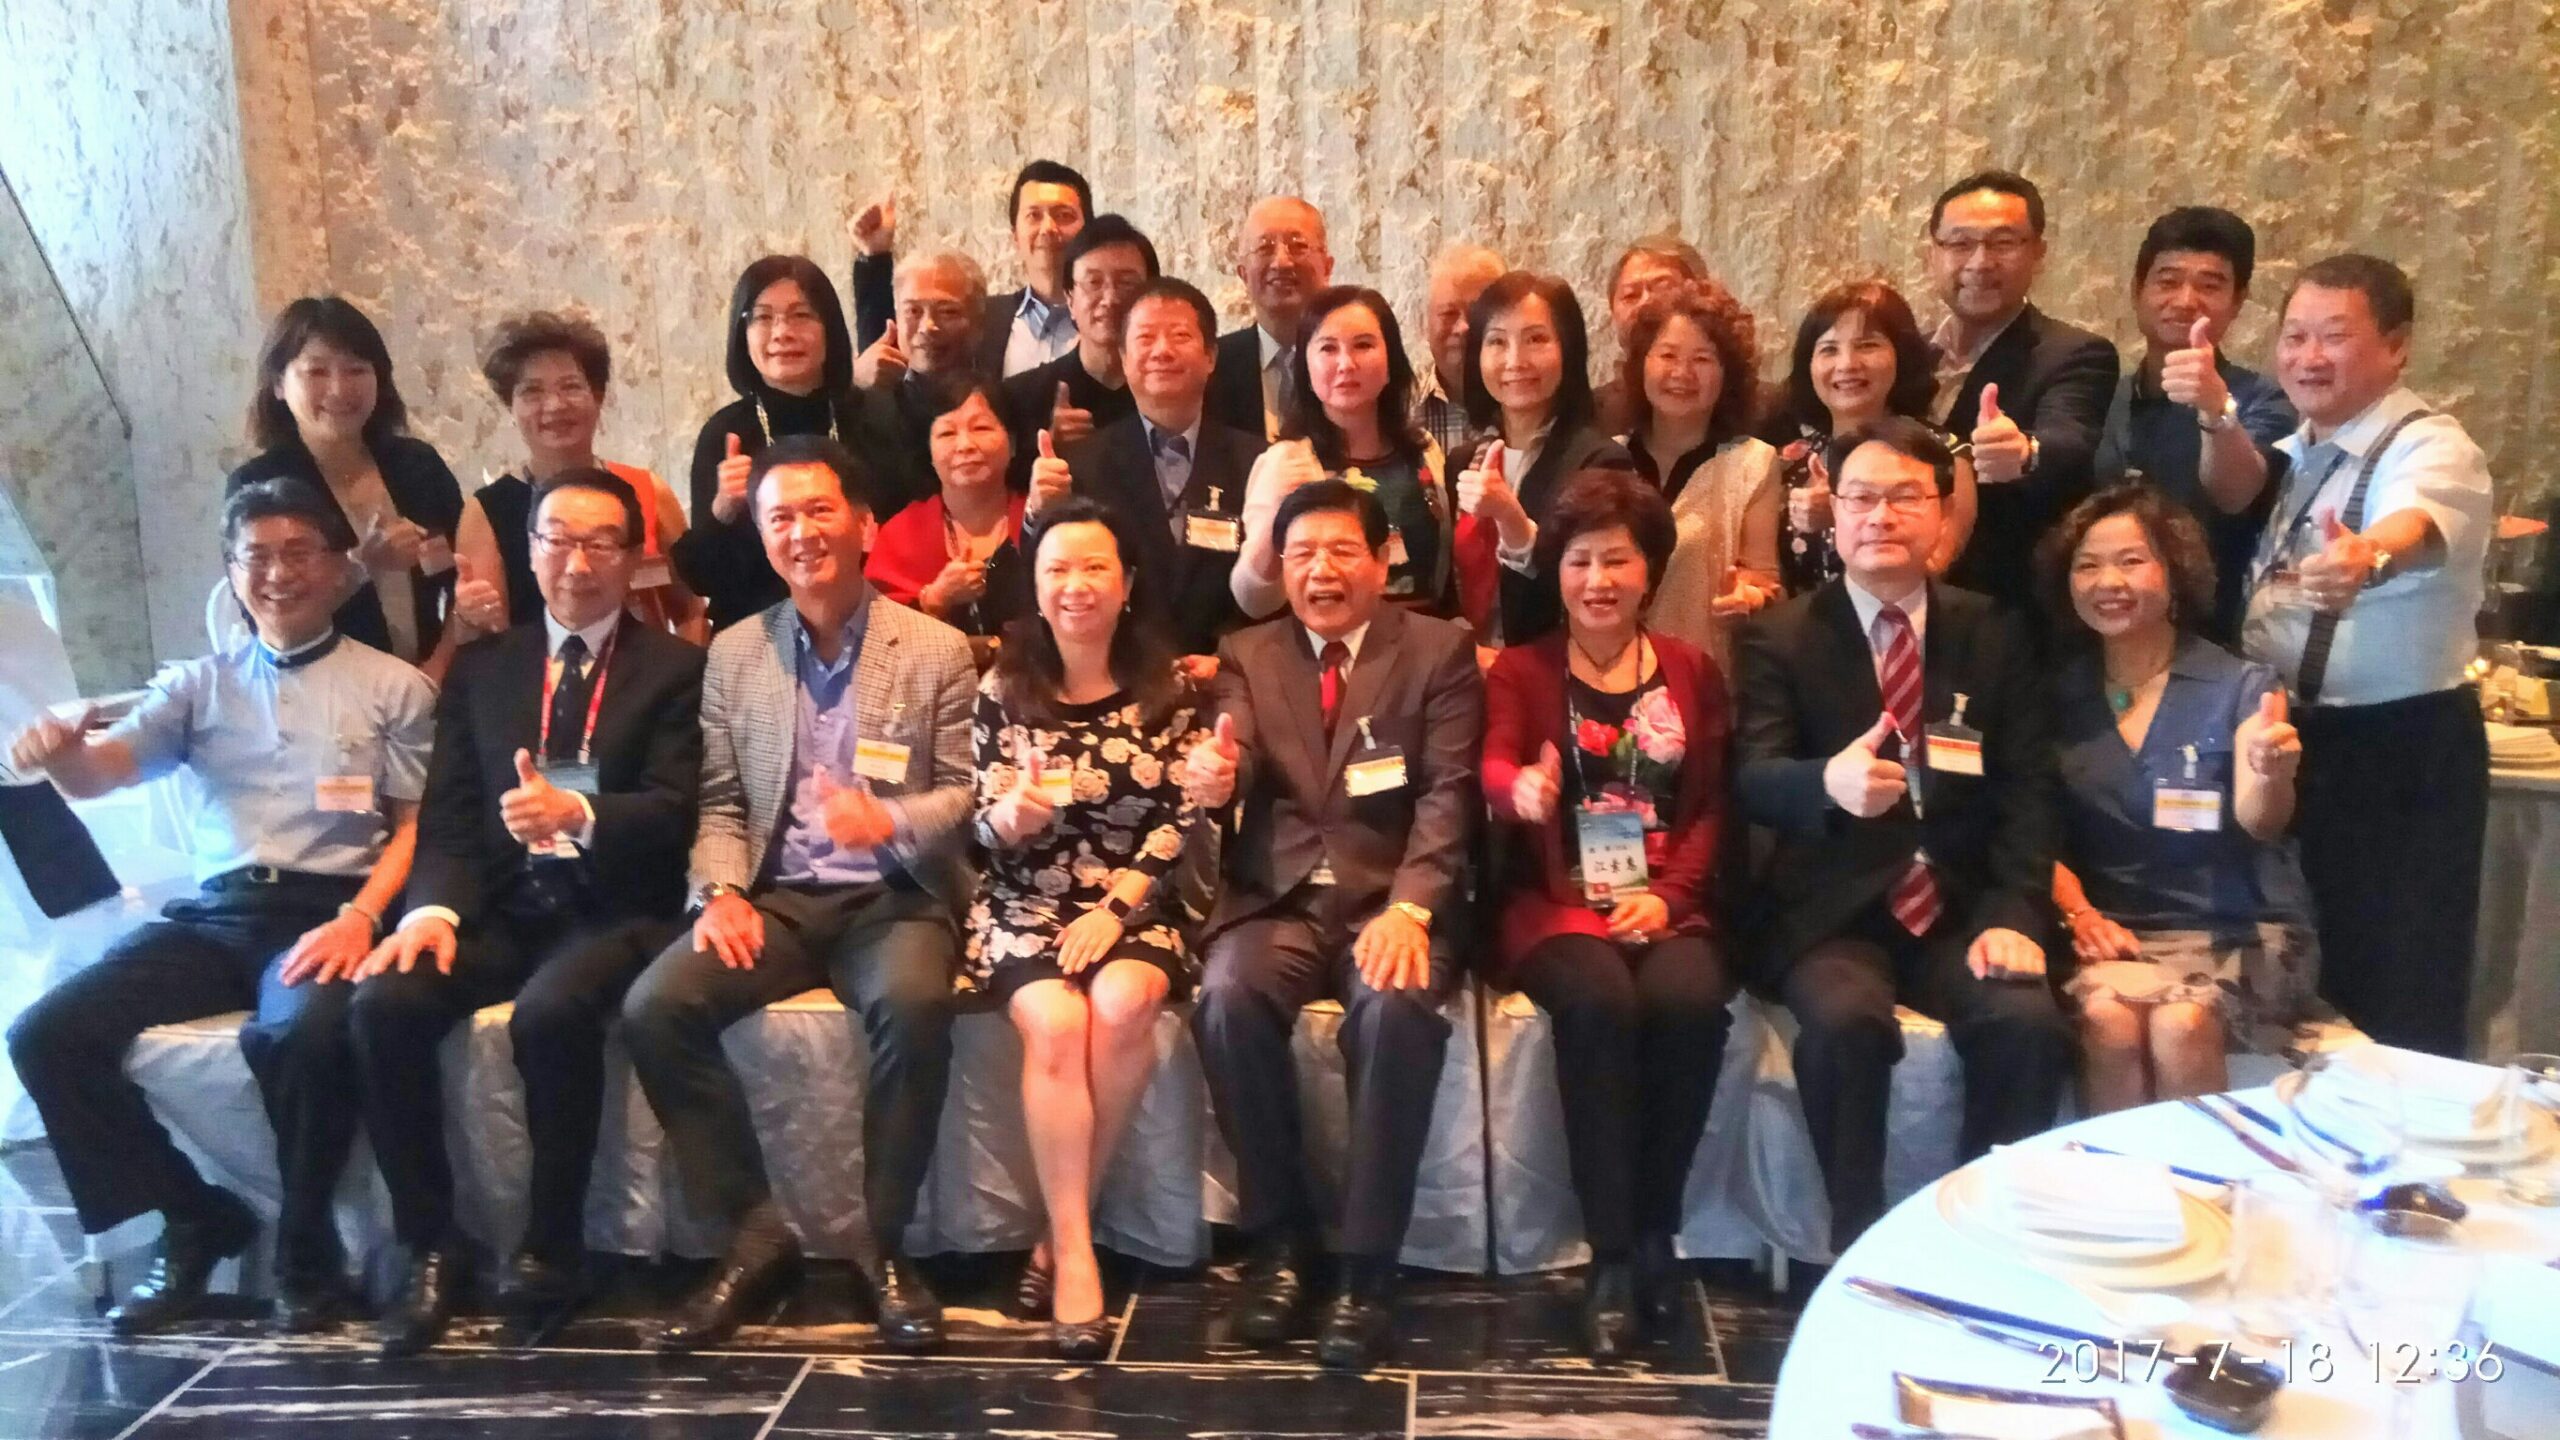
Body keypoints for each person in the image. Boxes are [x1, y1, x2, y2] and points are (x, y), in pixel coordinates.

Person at [6, 479, 434, 1335]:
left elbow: (416, 829)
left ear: (338, 567)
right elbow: (103, 774)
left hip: (330, 907)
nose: (277, 573)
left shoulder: (395, 685)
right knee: (44, 1034)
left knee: (302, 1034)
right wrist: (60, 756)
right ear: (231, 571)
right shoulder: (196, 685)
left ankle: (306, 1249)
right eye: (256, 556)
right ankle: (193, 1214)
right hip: (216, 916)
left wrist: (361, 918)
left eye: (298, 553)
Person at [621, 435, 977, 1352]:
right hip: (776, 897)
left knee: (914, 1003)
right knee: (657, 1004)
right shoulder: (737, 651)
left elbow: (964, 794)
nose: (801, 533)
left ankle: (884, 1247)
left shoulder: (935, 648)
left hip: (892, 897)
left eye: (820, 511)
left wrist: (886, 819)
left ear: (865, 525)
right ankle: (753, 1232)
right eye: (779, 517)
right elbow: (720, 801)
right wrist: (719, 892)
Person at [351, 469, 705, 1353]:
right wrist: (430, 914)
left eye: (600, 544)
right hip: (505, 908)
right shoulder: (484, 668)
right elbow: (449, 815)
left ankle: (553, 1246)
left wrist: (578, 812)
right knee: (385, 1002)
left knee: (551, 1011)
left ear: (632, 557)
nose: (577, 564)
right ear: (531, 550)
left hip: (619, 908)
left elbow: (676, 811)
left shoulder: (676, 669)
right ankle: (431, 1246)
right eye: (559, 541)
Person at [1733, 416, 2070, 1253]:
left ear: (1943, 514)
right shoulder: (1780, 636)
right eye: (1860, 498)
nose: (1880, 515)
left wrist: (2015, 916)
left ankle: (1984, 1242)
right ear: (1834, 513)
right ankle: (1855, 1245)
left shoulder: (1995, 631)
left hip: (1962, 909)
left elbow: (2029, 789)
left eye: (1905, 497)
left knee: (2026, 1025)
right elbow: (1752, 777)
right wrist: (1825, 783)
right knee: (1845, 1026)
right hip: (1832, 913)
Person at [1182, 479, 1483, 1371]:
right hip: (1279, 899)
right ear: (1279, 567)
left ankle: (1365, 1270)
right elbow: (1233, 749)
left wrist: (1411, 908)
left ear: (1383, 560)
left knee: (1393, 1010)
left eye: (1342, 550)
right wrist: (1217, 776)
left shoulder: (1437, 648)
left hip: (1391, 898)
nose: (1321, 571)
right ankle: (1279, 1245)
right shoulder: (1247, 651)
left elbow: (1449, 793)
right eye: (1302, 554)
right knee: (1226, 998)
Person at [1479, 470, 1735, 1358]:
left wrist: (1668, 899)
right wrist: (1521, 790)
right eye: (1580, 560)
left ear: (1649, 570)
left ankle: (1658, 1227)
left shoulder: (1693, 671)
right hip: (1554, 902)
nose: (1598, 580)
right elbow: (1496, 764)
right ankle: (1612, 1255)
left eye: (1617, 561)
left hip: (1665, 899)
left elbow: (1711, 807)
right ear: (1556, 571)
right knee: (1599, 1004)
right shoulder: (1523, 668)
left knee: (1689, 1003)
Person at [968, 497, 1206, 1359]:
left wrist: (1117, 907)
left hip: (1135, 900)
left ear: (1128, 581)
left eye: (1095, 567)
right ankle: (1075, 1251)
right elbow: (980, 825)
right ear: (1035, 587)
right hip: (1024, 902)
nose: (1076, 585)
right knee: (1058, 1022)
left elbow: (1183, 812)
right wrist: (1012, 818)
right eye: (1057, 569)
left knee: (1124, 1002)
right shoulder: (1003, 689)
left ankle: (1058, 1230)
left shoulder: (1169, 688)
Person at [2240, 254, 2494, 1058]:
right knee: (2317, 980)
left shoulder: (2432, 447)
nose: (2308, 357)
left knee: (2398, 982)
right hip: (2307, 738)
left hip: (2398, 747)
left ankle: (2408, 1136)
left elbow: (2413, 525)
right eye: (2294, 336)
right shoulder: (2302, 453)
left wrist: (2367, 557)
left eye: (2334, 337)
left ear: (2397, 345)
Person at [2038, 487, 2312, 1111]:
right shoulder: (2055, 696)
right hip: (2115, 929)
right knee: (2107, 1023)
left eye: (2132, 561)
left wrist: (2271, 773)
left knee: (2181, 1023)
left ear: (2175, 572)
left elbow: (2260, 820)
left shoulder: (2240, 685)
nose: (2109, 581)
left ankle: (2200, 1175)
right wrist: (2080, 915)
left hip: (2237, 927)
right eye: (2087, 565)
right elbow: (2032, 832)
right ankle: (2122, 1177)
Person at [223, 297, 465, 683]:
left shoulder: (417, 464)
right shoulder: (261, 485)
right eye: (317, 372)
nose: (339, 389)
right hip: (324, 691)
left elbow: (464, 577)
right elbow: (270, 621)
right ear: (279, 384)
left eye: (356, 370)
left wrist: (434, 673)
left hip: (432, 680)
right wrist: (360, 567)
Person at [2093, 208, 2298, 644]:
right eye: (2168, 281)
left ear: (2238, 301)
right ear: (2137, 290)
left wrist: (2215, 409)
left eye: (2210, 285)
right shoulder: (2102, 396)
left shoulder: (2264, 399)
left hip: (2209, 643)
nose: (2186, 301)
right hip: (2098, 636)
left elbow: (2236, 493)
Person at [1922, 171, 2120, 612]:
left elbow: (2069, 439)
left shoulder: (2074, 353)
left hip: (2003, 608)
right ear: (1932, 255)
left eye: (2003, 242)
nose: (1980, 262)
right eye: (1960, 243)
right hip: (1903, 603)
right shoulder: (1906, 354)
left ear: (2038, 254)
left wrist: (2025, 453)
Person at [451, 310, 704, 644]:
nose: (554, 405)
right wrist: (469, 618)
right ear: (510, 406)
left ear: (598, 397)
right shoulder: (487, 511)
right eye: (532, 392)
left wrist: (686, 669)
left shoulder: (646, 490)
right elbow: (485, 634)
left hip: (646, 673)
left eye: (571, 387)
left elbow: (690, 610)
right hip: (540, 674)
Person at [1058, 278, 1267, 663]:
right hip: (1120, 673)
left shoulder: (1257, 462)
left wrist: (1229, 663)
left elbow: (1271, 592)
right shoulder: (1081, 465)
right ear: (1124, 358)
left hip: (1230, 673)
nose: (1162, 350)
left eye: (1179, 336)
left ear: (1210, 357)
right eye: (1145, 337)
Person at [1234, 286, 1466, 623]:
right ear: (1306, 368)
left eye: (1363, 345)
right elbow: (1252, 600)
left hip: (1424, 643)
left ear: (1390, 362)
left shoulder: (1423, 449)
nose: (1346, 364)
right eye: (1328, 348)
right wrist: (1274, 519)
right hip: (1330, 644)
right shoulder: (1286, 460)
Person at [672, 256, 860, 632]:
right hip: (756, 639)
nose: (782, 332)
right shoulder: (725, 433)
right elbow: (701, 579)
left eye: (800, 315)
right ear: (742, 333)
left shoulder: (868, 417)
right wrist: (723, 512)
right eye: (763, 317)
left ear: (830, 328)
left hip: (864, 629)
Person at [1451, 271, 1637, 643]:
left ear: (1568, 350)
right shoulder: (1464, 461)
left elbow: (1595, 591)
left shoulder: (1600, 463)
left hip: (1557, 664)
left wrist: (1512, 518)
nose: (1515, 360)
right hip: (1469, 664)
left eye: (1536, 339)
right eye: (1497, 341)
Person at [1769, 281, 1979, 595]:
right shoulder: (1788, 461)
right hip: (1800, 625)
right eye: (1829, 349)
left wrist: (1841, 515)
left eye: (1867, 345)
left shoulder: (1942, 454)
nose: (1847, 364)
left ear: (1901, 356)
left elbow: (1933, 569)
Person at [1617, 284, 1782, 670]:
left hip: (1704, 677)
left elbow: (1766, 579)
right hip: (1609, 677)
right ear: (1641, 364)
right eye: (1667, 355)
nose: (1682, 373)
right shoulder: (1605, 457)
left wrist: (1749, 596)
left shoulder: (1752, 463)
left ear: (1728, 374)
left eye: (1702, 359)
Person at [849, 160, 1091, 379]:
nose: (1048, 228)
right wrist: (875, 256)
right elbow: (890, 355)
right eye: (1034, 215)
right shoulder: (981, 316)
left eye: (1063, 215)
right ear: (1015, 235)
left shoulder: (1107, 318)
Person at [864, 381, 1034, 663]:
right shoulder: (901, 535)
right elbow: (875, 641)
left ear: (1013, 442)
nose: (965, 445)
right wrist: (935, 599)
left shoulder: (1042, 518)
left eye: (981, 428)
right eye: (947, 433)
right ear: (928, 452)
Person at [1000, 215, 1156, 460]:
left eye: (1126, 283)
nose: (1110, 299)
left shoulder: (1173, 389)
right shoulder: (1024, 396)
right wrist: (1049, 447)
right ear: (1070, 299)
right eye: (1094, 282)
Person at [851, 252, 993, 517]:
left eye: (947, 311)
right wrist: (853, 384)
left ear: (979, 322)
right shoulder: (864, 407)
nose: (928, 326)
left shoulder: (1002, 406)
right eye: (913, 311)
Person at [1206, 196, 1335, 439]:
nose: (1281, 262)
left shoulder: (1348, 363)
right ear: (1243, 274)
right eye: (1264, 248)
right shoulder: (1211, 369)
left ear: (1327, 267)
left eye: (1298, 246)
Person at [1595, 235, 1715, 435]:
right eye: (1631, 295)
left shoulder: (1763, 412)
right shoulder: (1587, 418)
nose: (1645, 303)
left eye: (1662, 288)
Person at [1416, 244, 1505, 456]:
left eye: (1478, 312)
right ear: (1423, 324)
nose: (1464, 327)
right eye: (1449, 313)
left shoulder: (1535, 413)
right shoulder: (1397, 415)